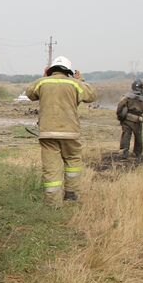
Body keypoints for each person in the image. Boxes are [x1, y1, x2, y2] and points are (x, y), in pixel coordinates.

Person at [26, 55, 96, 203]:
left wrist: (44, 77)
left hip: (48, 132)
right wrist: (80, 80)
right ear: (69, 70)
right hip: (70, 132)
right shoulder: (75, 84)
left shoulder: (42, 82)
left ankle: (53, 202)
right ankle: (71, 195)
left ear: (51, 70)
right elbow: (91, 95)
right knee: (73, 162)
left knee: (51, 166)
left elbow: (30, 93)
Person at [116, 79, 143, 157]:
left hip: (127, 119)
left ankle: (123, 152)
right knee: (138, 137)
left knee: (126, 135)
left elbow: (120, 106)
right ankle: (137, 153)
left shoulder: (127, 97)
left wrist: (119, 116)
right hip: (137, 121)